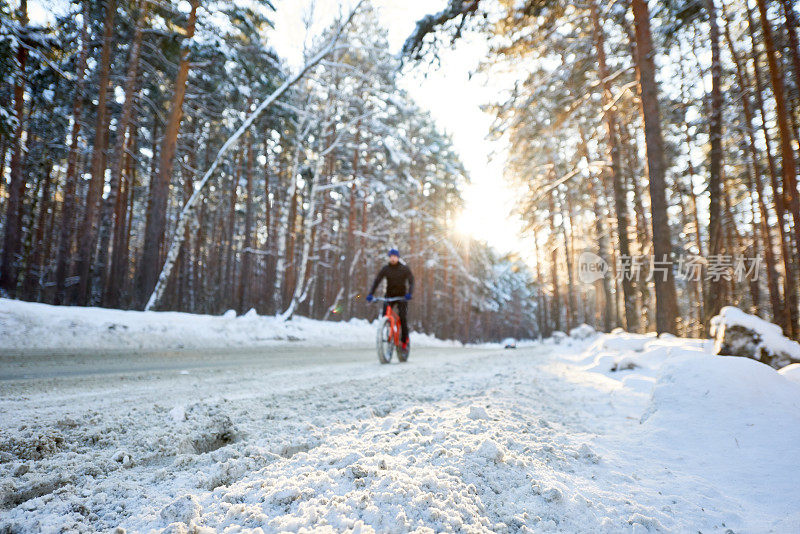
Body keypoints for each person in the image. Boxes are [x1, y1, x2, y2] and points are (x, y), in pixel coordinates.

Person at [366, 248, 414, 349]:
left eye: (394, 257)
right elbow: (377, 281)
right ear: (389, 258)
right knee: (385, 315)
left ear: (398, 257)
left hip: (402, 297)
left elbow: (411, 281)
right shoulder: (386, 269)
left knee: (402, 317)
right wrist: (371, 294)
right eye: (391, 257)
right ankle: (389, 331)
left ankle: (404, 341)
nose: (392, 259)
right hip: (389, 296)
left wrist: (409, 293)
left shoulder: (404, 268)